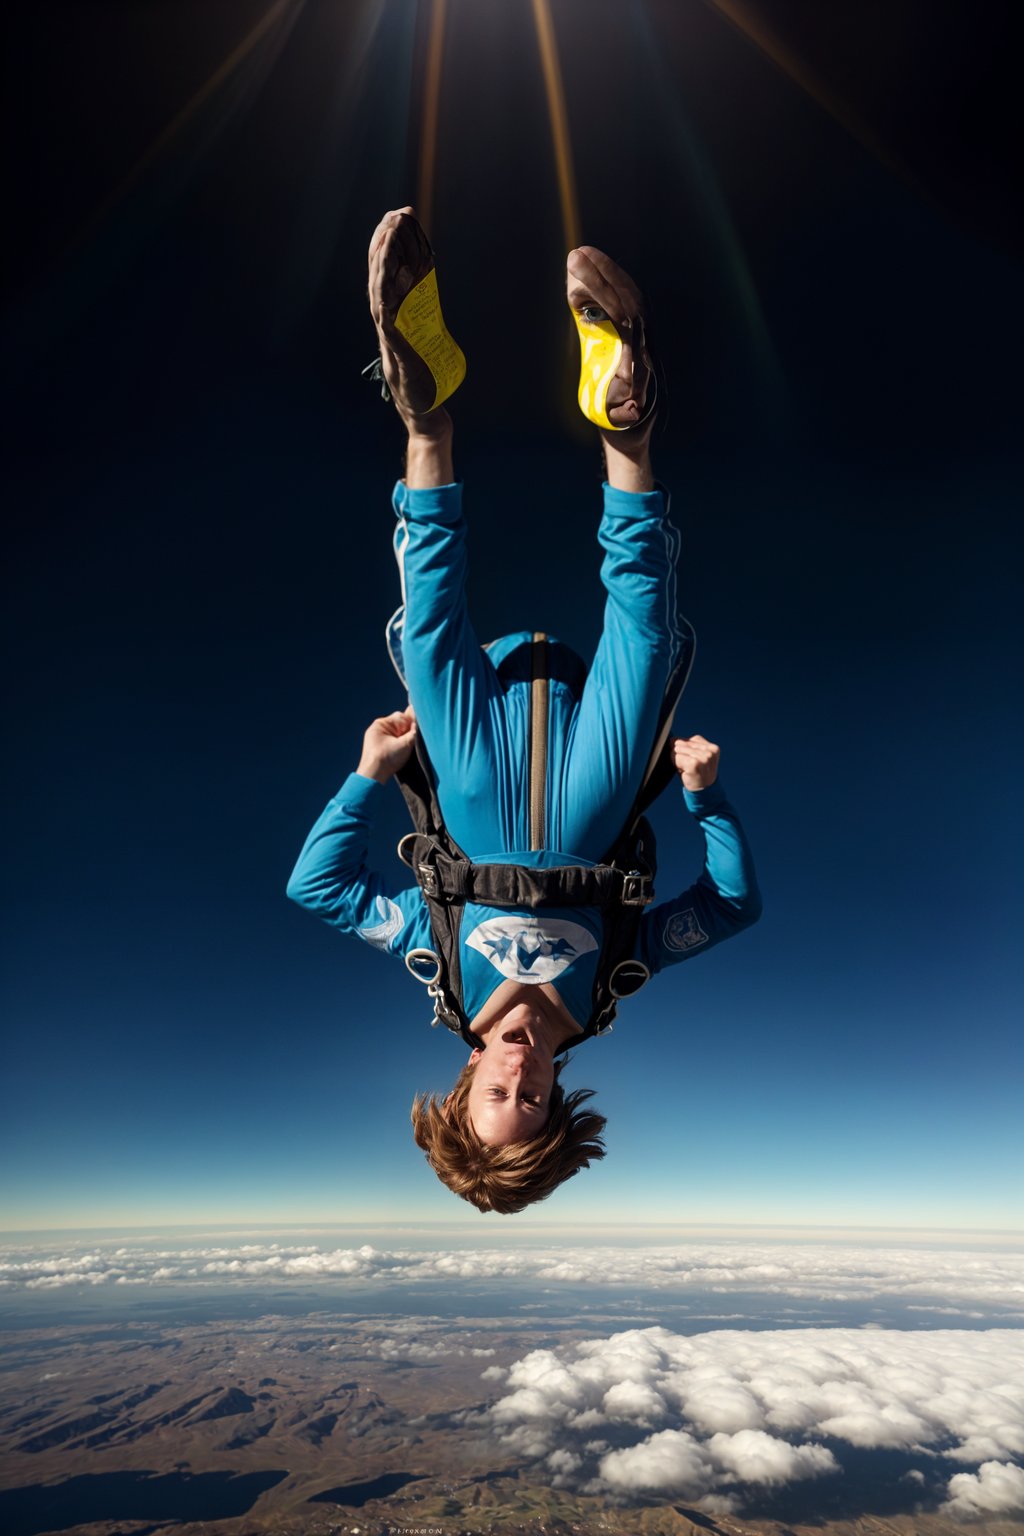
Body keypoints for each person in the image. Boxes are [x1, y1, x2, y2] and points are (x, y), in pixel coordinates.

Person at [287, 208, 761, 1214]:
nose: (519, 1076)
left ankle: (425, 418)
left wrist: (366, 775)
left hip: (472, 777)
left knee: (426, 635)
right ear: (560, 1101)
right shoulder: (610, 986)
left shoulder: (434, 962)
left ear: (460, 1090)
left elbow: (317, 890)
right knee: (643, 646)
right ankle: (625, 416)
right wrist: (706, 800)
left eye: (495, 1095)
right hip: (594, 775)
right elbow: (729, 909)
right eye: (534, 1101)